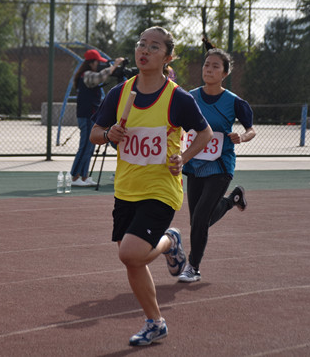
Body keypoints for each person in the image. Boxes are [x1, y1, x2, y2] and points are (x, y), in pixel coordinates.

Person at [90, 26, 213, 346]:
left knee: (131, 254)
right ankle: (155, 322)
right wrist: (108, 136)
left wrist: (183, 158)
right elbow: (95, 133)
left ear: (168, 57)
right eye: (141, 44)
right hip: (126, 188)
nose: (144, 50)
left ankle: (169, 242)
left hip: (161, 189)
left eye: (154, 47)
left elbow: (205, 134)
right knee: (131, 258)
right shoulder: (120, 93)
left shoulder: (177, 98)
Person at [178, 38, 256, 283]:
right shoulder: (189, 97)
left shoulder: (234, 102)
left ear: (225, 73)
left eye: (214, 67)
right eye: (206, 65)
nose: (208, 70)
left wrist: (241, 137)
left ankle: (193, 267)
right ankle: (233, 200)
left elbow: (252, 129)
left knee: (200, 219)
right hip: (194, 163)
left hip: (221, 165)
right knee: (197, 221)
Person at [70, 49, 124, 187]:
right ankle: (75, 177)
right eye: (97, 63)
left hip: (89, 114)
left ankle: (83, 176)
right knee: (85, 146)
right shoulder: (86, 75)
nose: (98, 66)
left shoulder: (85, 75)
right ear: (91, 63)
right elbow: (99, 77)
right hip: (86, 114)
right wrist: (114, 66)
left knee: (89, 147)